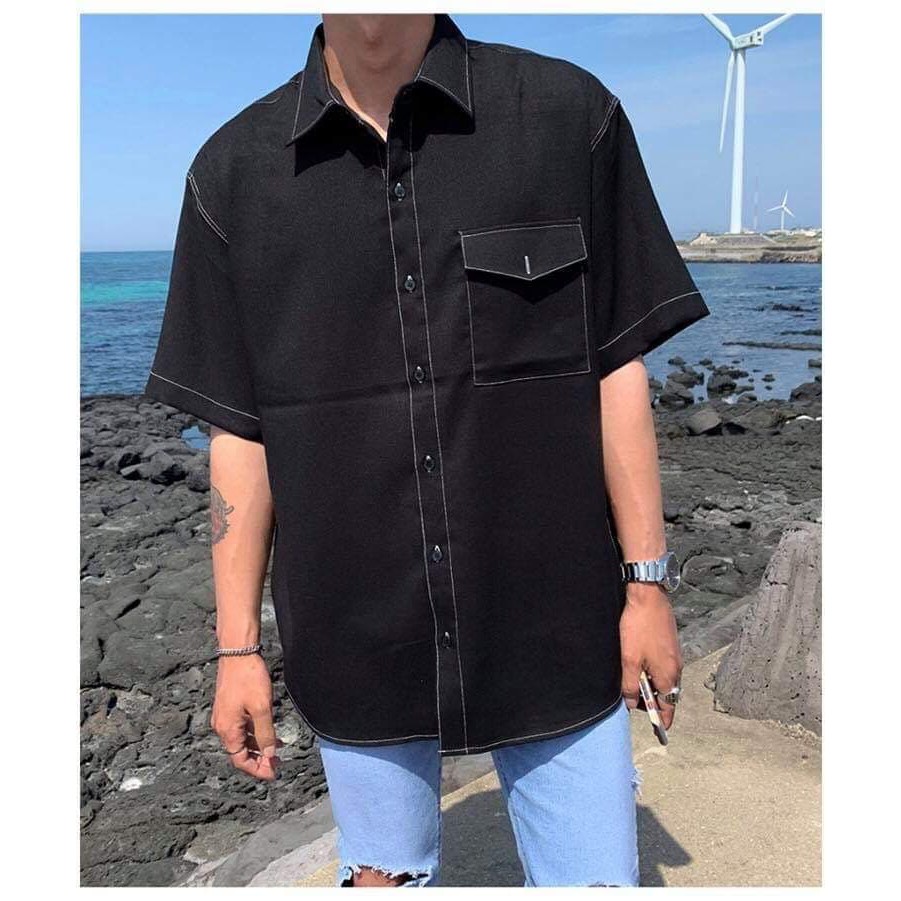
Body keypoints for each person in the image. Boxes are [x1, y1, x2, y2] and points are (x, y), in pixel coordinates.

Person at [144, 12, 710, 887]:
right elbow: (240, 435)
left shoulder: (566, 117)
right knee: (382, 877)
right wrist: (237, 650)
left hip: (556, 623)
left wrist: (647, 587)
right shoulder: (233, 175)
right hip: (353, 635)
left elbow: (615, 369)